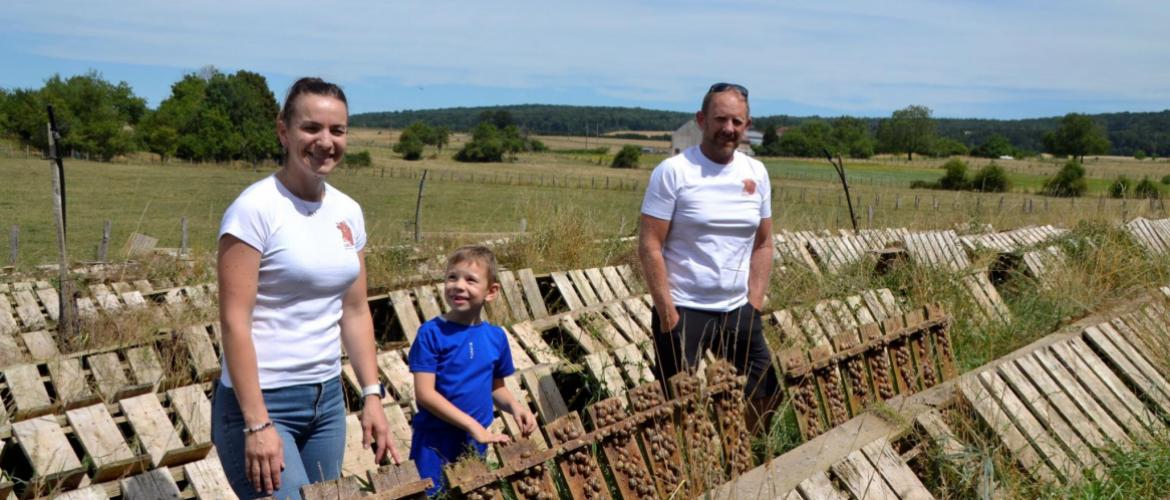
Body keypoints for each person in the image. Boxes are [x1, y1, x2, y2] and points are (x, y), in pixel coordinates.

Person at [213, 77, 400, 499]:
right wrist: (257, 424)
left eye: (337, 130)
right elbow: (234, 323)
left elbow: (354, 311)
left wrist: (371, 395)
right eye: (311, 128)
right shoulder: (254, 210)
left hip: (327, 402)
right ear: (284, 131)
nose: (325, 141)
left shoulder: (348, 211)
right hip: (262, 402)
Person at [638, 82, 780, 432]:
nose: (727, 129)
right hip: (685, 308)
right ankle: (683, 469)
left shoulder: (756, 173)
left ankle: (749, 451)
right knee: (678, 403)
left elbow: (764, 243)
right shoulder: (674, 172)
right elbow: (650, 245)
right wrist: (667, 313)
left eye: (736, 121)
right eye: (720, 119)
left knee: (767, 388)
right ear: (702, 120)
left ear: (747, 125)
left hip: (736, 308)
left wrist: (754, 302)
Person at [408, 245, 537, 496]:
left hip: (475, 441)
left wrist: (515, 407)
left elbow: (496, 387)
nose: (458, 285)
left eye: (470, 280)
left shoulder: (495, 337)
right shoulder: (431, 334)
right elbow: (425, 394)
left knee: (472, 493)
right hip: (435, 440)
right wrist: (472, 425)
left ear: (491, 292)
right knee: (432, 495)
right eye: (452, 277)